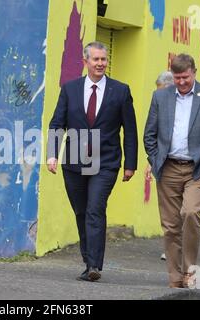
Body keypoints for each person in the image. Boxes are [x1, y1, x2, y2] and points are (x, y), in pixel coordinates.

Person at [47, 41, 138, 282]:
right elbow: (57, 123)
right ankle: (88, 261)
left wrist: (131, 163)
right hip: (74, 162)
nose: (100, 63)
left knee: (95, 209)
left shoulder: (120, 90)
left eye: (103, 59)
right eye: (95, 59)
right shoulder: (70, 89)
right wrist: (52, 153)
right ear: (85, 61)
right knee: (81, 211)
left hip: (106, 162)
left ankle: (95, 265)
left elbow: (130, 130)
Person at [143, 54, 200, 288]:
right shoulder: (160, 97)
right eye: (177, 77)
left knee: (190, 213)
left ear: (194, 72)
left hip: (198, 169)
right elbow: (149, 135)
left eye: (186, 77)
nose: (182, 82)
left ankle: (190, 271)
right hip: (168, 168)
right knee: (171, 226)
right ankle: (175, 278)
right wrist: (154, 159)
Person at [144, 71, 174, 262]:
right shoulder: (160, 103)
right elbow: (152, 134)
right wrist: (152, 160)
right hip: (164, 163)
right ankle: (172, 248)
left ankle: (180, 248)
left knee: (185, 210)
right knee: (169, 210)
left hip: (188, 164)